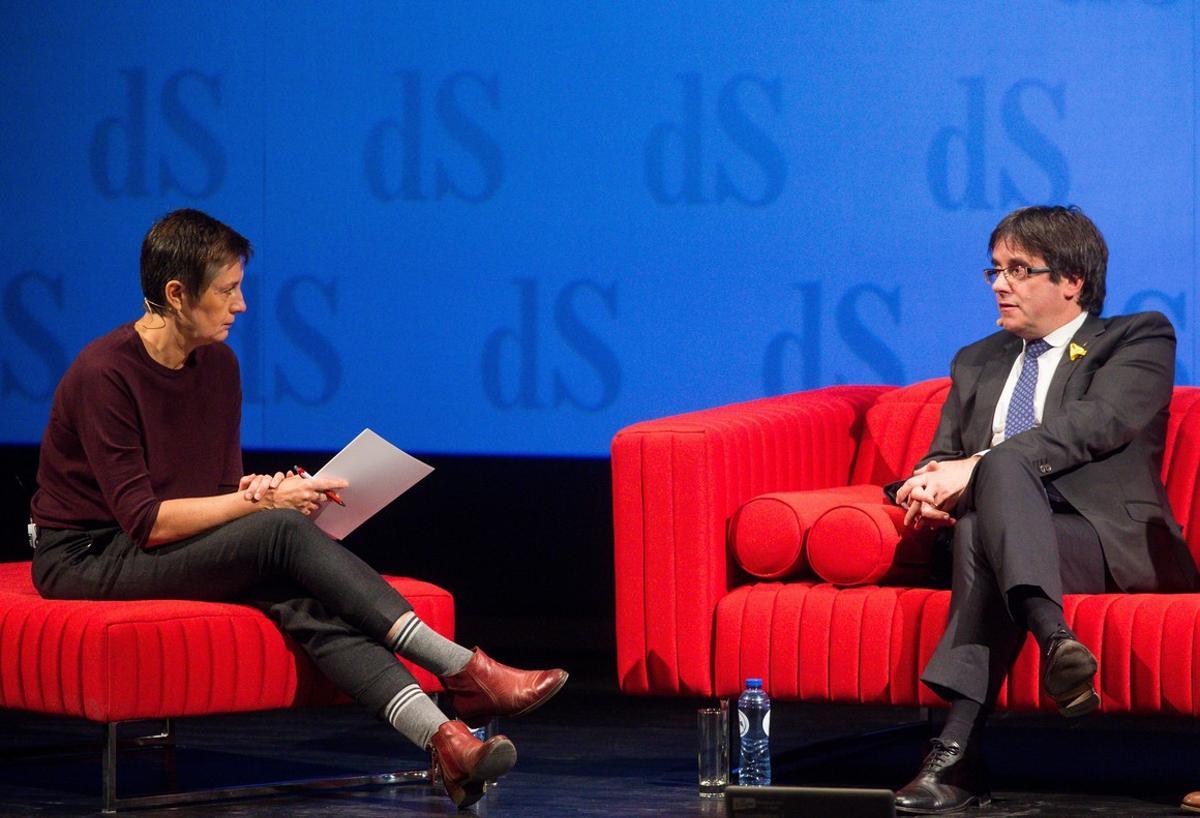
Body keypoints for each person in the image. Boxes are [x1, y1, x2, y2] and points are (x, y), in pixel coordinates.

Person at [28, 208, 567, 810]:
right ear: (176, 295)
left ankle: (447, 740)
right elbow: (146, 521)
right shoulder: (105, 374)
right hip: (88, 555)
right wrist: (260, 506)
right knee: (278, 533)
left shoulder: (220, 367)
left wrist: (260, 489)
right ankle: (465, 669)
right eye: (228, 291)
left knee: (297, 596)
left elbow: (210, 487)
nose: (242, 307)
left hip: (154, 540)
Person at [887, 205, 1197, 815]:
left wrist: (978, 467)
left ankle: (957, 756)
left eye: (1020, 269)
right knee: (980, 522)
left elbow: (1095, 426)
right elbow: (941, 456)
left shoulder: (1136, 338)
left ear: (1071, 282)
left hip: (1105, 542)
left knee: (1002, 469)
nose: (1000, 284)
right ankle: (1054, 640)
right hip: (1002, 536)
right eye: (995, 270)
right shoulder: (978, 359)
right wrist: (922, 485)